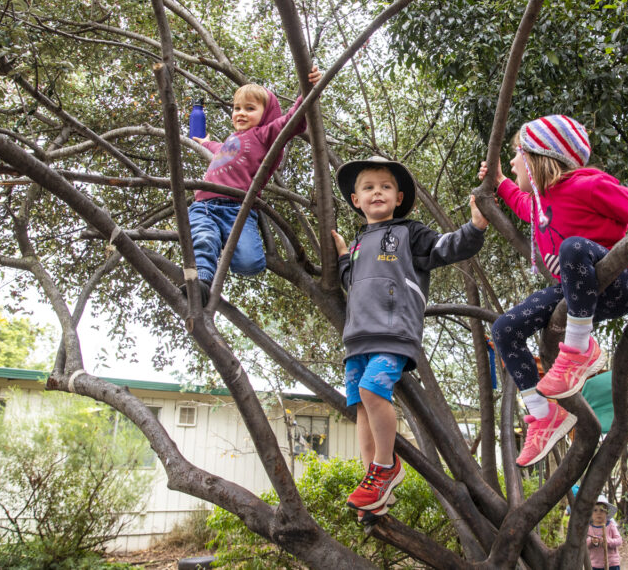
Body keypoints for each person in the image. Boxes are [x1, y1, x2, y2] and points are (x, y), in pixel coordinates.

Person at [478, 115, 628, 467]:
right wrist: (499, 183)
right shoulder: (542, 203)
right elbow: (525, 208)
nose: (511, 162)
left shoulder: (588, 186)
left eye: (516, 155)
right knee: (505, 329)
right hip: (576, 296)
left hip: (618, 285)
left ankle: (579, 350)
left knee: (572, 248)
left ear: (538, 158)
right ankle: (543, 415)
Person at [332, 156, 487, 520]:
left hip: (393, 332)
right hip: (357, 339)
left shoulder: (409, 233)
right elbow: (349, 282)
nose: (377, 193)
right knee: (361, 409)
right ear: (356, 200)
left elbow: (446, 247)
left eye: (385, 187)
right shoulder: (356, 244)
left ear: (398, 197)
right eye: (368, 187)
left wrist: (476, 226)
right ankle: (374, 489)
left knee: (373, 390)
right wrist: (341, 255)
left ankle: (386, 468)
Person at [185, 66, 321, 304]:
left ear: (266, 114)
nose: (241, 113)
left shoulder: (264, 135)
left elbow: (293, 120)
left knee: (250, 263)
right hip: (204, 205)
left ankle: (224, 240)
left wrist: (309, 90)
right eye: (237, 108)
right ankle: (201, 283)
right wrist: (205, 143)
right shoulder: (230, 140)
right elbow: (218, 150)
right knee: (204, 239)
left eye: (250, 108)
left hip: (237, 210)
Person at [587, 494, 622, 570]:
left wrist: (608, 541)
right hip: (595, 564)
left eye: (602, 510)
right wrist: (591, 541)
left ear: (607, 513)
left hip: (612, 563)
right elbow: (584, 544)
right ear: (591, 513)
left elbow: (619, 541)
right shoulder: (589, 528)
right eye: (595, 510)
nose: (598, 513)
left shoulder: (610, 525)